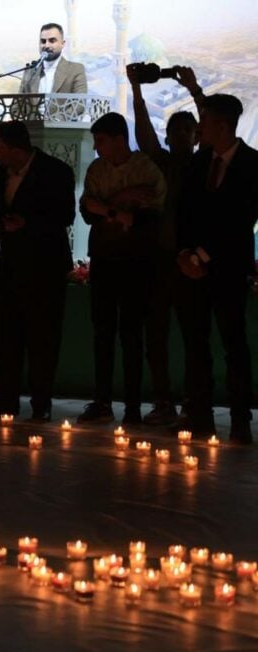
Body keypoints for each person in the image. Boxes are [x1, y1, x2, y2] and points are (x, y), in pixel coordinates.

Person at [176, 94, 258, 444]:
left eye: (205, 121)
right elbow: (183, 211)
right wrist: (184, 253)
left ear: (222, 126)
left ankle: (240, 419)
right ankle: (200, 417)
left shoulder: (253, 165)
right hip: (191, 270)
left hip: (229, 268)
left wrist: (202, 255)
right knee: (196, 344)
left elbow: (241, 219)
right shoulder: (198, 164)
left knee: (234, 343)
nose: (200, 128)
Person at [78, 112, 166, 425]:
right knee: (102, 333)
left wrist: (106, 207)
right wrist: (123, 201)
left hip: (136, 262)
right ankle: (102, 401)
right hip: (104, 259)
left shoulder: (146, 168)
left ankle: (132, 407)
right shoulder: (97, 169)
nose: (96, 147)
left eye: (100, 141)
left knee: (131, 335)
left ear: (119, 140)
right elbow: (88, 211)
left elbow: (151, 216)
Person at [0, 121, 75, 421]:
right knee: (6, 335)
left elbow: (65, 215)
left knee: (42, 337)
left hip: (44, 266)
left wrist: (27, 223)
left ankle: (41, 403)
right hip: (11, 264)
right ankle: (7, 399)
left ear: (16, 148)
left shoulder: (56, 171)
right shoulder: (2, 173)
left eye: (0, 147)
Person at [128, 64, 203, 425]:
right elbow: (145, 137)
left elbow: (215, 128)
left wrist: (194, 88)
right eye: (177, 131)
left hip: (192, 261)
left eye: (189, 131)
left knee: (193, 336)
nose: (183, 136)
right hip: (159, 260)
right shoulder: (163, 163)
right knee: (155, 334)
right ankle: (163, 400)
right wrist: (136, 91)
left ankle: (193, 400)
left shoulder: (204, 166)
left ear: (197, 136)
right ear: (169, 136)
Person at [19, 23, 87, 94]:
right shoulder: (30, 71)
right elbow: (19, 100)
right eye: (43, 41)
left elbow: (79, 100)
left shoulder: (76, 70)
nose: (46, 45)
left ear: (63, 44)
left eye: (52, 41)